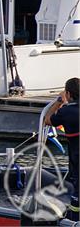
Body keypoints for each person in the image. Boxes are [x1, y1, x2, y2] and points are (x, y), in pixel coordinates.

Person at [44, 77, 79, 221]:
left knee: (77, 194)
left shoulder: (67, 111)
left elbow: (47, 120)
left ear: (69, 94)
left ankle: (74, 219)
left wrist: (59, 101)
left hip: (77, 158)